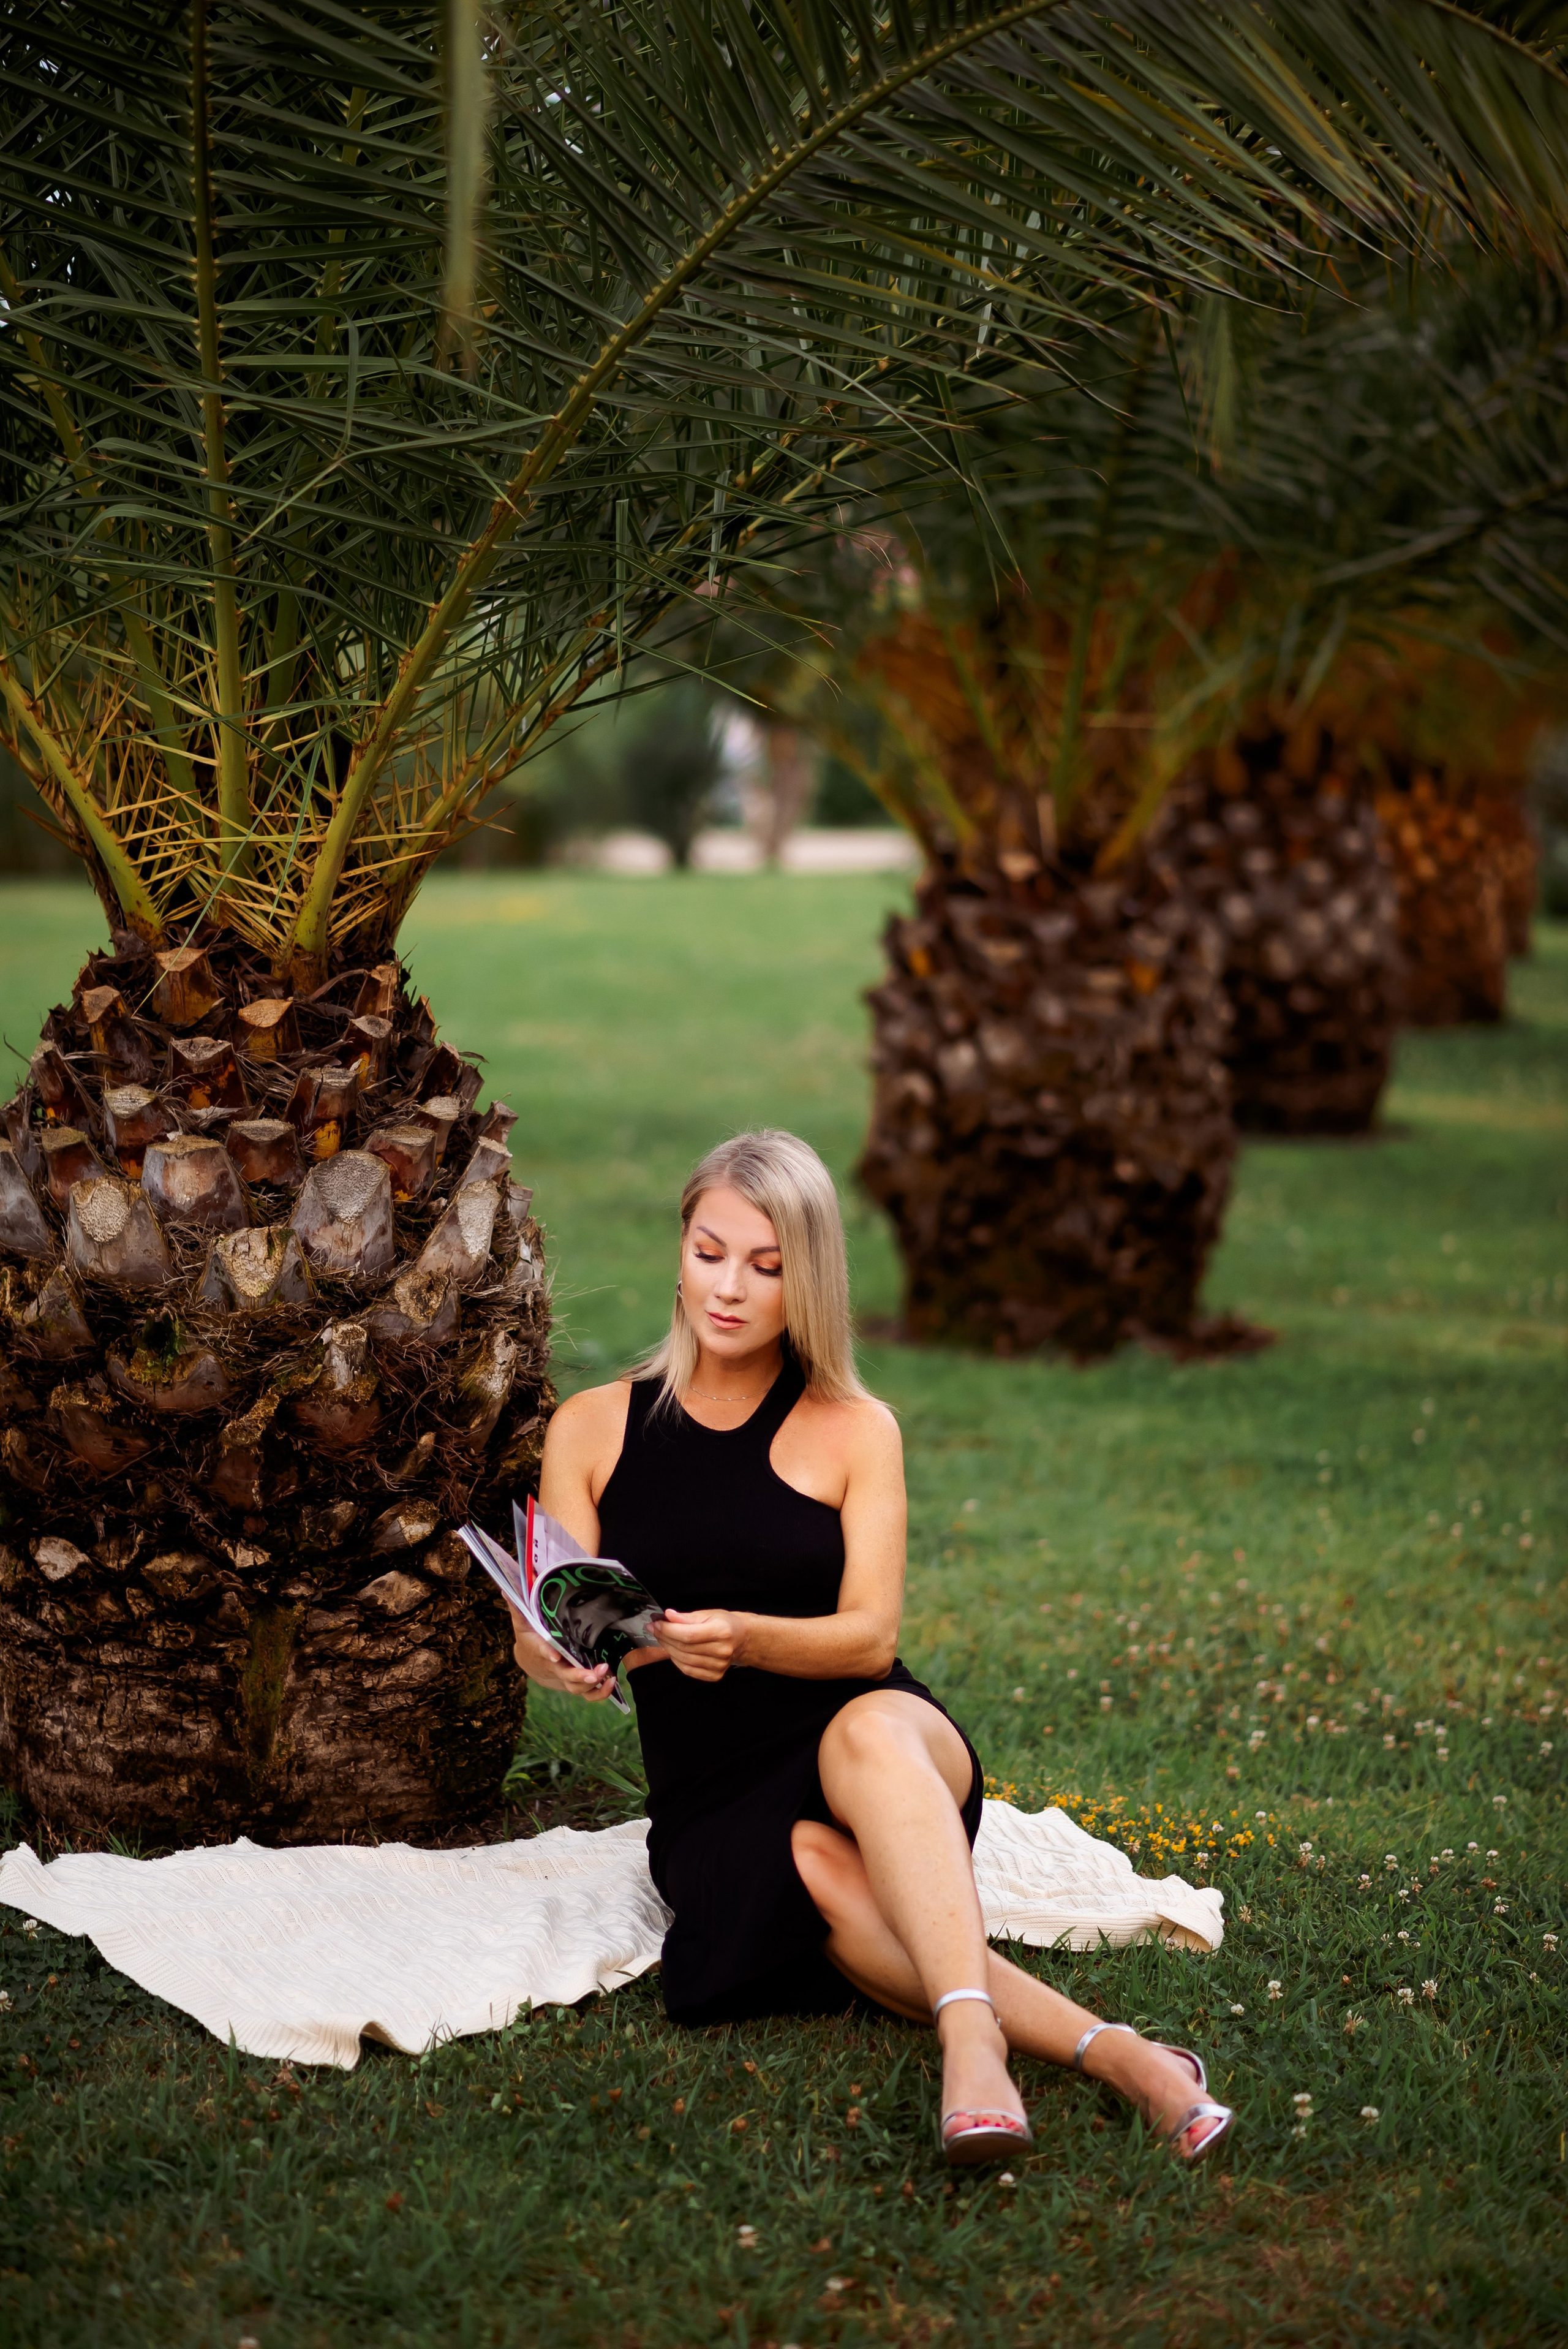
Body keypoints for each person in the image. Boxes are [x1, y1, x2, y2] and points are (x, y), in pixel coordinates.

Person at [508, 1129, 1234, 2166]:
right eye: (710, 1252)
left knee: (867, 1737)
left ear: (807, 1280)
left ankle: (971, 2040)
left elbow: (869, 1637)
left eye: (765, 1268)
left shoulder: (857, 1427)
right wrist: (558, 1656)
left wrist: (748, 1637)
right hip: (714, 1786)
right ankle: (1126, 2057)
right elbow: (551, 1613)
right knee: (811, 1868)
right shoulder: (593, 1424)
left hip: (877, 1730)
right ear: (681, 1248)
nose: (729, 1289)